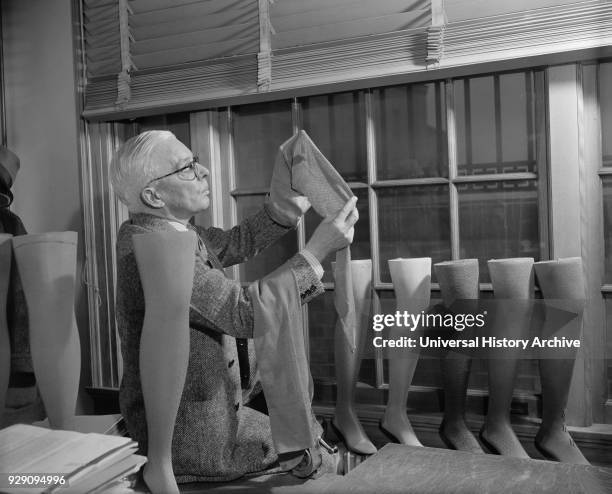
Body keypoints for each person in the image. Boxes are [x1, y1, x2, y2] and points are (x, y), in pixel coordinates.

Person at [110, 130, 358, 484]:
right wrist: (317, 252)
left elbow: (240, 240)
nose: (205, 171)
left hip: (222, 411)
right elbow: (244, 313)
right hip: (198, 436)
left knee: (315, 447)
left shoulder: (172, 231)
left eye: (196, 161)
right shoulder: (151, 249)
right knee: (320, 460)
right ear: (153, 194)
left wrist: (288, 200)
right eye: (187, 168)